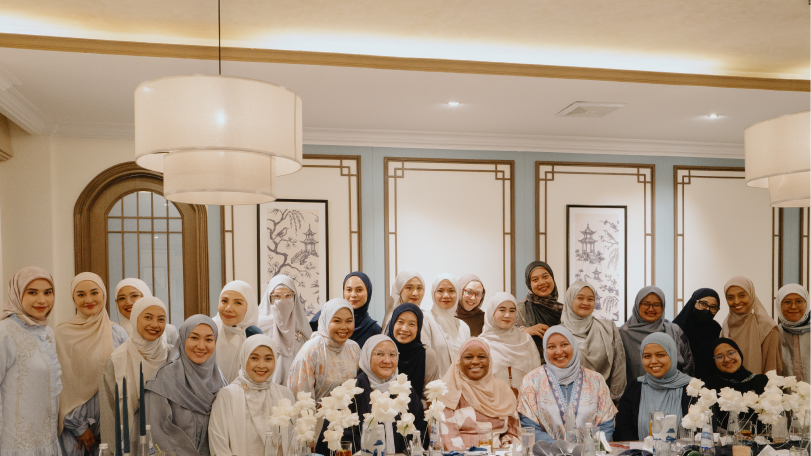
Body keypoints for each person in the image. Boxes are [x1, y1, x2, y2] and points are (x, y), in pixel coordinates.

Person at [57, 272, 129, 456]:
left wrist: (112, 425)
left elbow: (125, 381)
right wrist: (79, 427)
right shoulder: (60, 334)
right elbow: (58, 384)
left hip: (110, 426)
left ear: (103, 295)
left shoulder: (118, 333)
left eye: (94, 292)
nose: (88, 299)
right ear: (73, 298)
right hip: (73, 432)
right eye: (80, 294)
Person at [0, 267, 62, 456]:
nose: (42, 300)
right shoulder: (5, 332)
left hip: (45, 441)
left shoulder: (47, 332)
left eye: (48, 292)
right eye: (32, 292)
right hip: (15, 445)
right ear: (17, 294)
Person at [286, 299, 361, 456]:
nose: (343, 327)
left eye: (349, 321)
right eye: (337, 320)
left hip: (348, 430)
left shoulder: (354, 349)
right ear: (326, 320)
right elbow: (301, 396)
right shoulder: (312, 351)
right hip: (319, 432)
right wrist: (308, 435)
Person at [145, 315, 227, 456]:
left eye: (208, 339)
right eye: (194, 338)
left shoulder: (220, 380)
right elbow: (158, 434)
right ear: (183, 339)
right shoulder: (164, 379)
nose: (201, 346)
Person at [518, 327, 616, 444]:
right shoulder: (531, 381)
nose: (559, 351)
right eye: (551, 347)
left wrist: (588, 449)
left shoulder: (596, 380)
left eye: (564, 344)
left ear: (573, 346)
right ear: (544, 350)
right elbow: (529, 427)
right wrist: (558, 450)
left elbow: (606, 423)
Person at [100, 296, 171, 453]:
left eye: (161, 319)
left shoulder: (172, 356)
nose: (154, 324)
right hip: (129, 445)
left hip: (167, 444)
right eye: (147, 317)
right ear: (134, 318)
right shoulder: (116, 360)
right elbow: (108, 414)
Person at [209, 335, 296, 456]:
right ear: (244, 359)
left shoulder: (285, 395)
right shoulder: (227, 395)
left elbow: (293, 442)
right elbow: (218, 445)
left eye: (268, 359)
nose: (261, 365)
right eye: (254, 358)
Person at [345, 335, 427, 453]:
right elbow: (345, 440)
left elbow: (420, 432)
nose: (387, 361)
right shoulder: (351, 391)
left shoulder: (405, 390)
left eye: (392, 355)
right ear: (367, 356)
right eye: (380, 354)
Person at [438, 338, 520, 450]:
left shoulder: (502, 390)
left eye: (481, 357)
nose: (475, 361)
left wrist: (506, 449)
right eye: (468, 357)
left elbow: (514, 432)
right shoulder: (448, 391)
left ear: (489, 360)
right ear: (459, 361)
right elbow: (446, 439)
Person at [614, 333, 693, 441]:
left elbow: (702, 430)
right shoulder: (634, 388)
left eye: (660, 355)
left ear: (672, 355)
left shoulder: (692, 388)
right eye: (647, 356)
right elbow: (622, 431)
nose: (653, 361)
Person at [561, 282, 627, 402]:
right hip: (568, 401)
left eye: (590, 299)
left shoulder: (608, 327)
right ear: (570, 299)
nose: (586, 302)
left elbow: (619, 366)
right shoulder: (558, 332)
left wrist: (613, 400)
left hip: (603, 400)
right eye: (580, 298)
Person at [620, 286, 694, 379]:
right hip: (636, 390)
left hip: (672, 389)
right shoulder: (623, 334)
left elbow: (688, 364)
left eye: (657, 305)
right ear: (637, 305)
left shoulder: (674, 330)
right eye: (646, 304)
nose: (651, 309)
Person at [478, 292, 542, 393]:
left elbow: (537, 374)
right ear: (492, 312)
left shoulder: (525, 339)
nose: (507, 315)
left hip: (525, 403)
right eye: (502, 310)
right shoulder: (481, 344)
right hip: (492, 404)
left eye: (512, 311)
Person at [257, 275, 312, 384]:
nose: (283, 301)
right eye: (277, 296)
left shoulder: (302, 327)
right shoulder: (258, 327)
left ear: (294, 298)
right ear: (269, 298)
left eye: (288, 296)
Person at [704, 338, 769, 431]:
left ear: (739, 353)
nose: (726, 359)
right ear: (713, 361)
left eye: (731, 353)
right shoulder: (709, 386)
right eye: (719, 357)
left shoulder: (762, 382)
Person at [722, 276, 782, 375]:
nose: (736, 301)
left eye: (742, 295)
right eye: (730, 297)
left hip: (759, 387)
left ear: (751, 295)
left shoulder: (766, 325)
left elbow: (771, 367)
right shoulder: (726, 323)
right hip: (730, 387)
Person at [386, 303, 441, 402]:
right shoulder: (381, 352)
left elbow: (431, 396)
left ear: (419, 328)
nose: (404, 329)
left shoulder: (427, 355)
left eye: (412, 324)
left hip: (418, 414)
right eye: (400, 322)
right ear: (392, 323)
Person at [309, 272, 381, 348]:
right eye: (349, 290)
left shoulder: (374, 330)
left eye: (359, 290)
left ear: (368, 292)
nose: (353, 295)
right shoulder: (325, 317)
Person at [423, 274, 471, 375]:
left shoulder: (464, 327)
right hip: (436, 388)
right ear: (433, 293)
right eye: (440, 290)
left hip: (461, 387)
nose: (446, 295)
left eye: (451, 291)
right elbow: (425, 359)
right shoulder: (426, 319)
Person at [213, 280, 260, 383]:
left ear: (249, 307)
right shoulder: (208, 330)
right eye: (224, 301)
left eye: (238, 303)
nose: (228, 308)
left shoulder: (255, 336)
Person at [673, 288, 722, 380]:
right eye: (703, 304)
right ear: (693, 302)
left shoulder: (716, 329)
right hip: (680, 383)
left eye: (713, 307)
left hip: (711, 385)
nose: (707, 309)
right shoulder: (677, 328)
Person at [516, 261, 563, 356]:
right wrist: (525, 331)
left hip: (560, 363)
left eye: (545, 276)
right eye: (535, 280)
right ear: (529, 285)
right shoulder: (520, 308)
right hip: (530, 366)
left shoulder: (563, 310)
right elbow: (506, 338)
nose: (541, 282)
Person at [113, 278, 179, 345]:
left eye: (134, 295)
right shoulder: (114, 332)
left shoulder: (168, 331)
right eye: (122, 298)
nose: (128, 303)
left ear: (146, 296)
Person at [776, 284, 811, 381]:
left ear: (806, 303)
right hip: (785, 394)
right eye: (787, 302)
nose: (793, 306)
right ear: (779, 304)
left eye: (799, 301)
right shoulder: (775, 334)